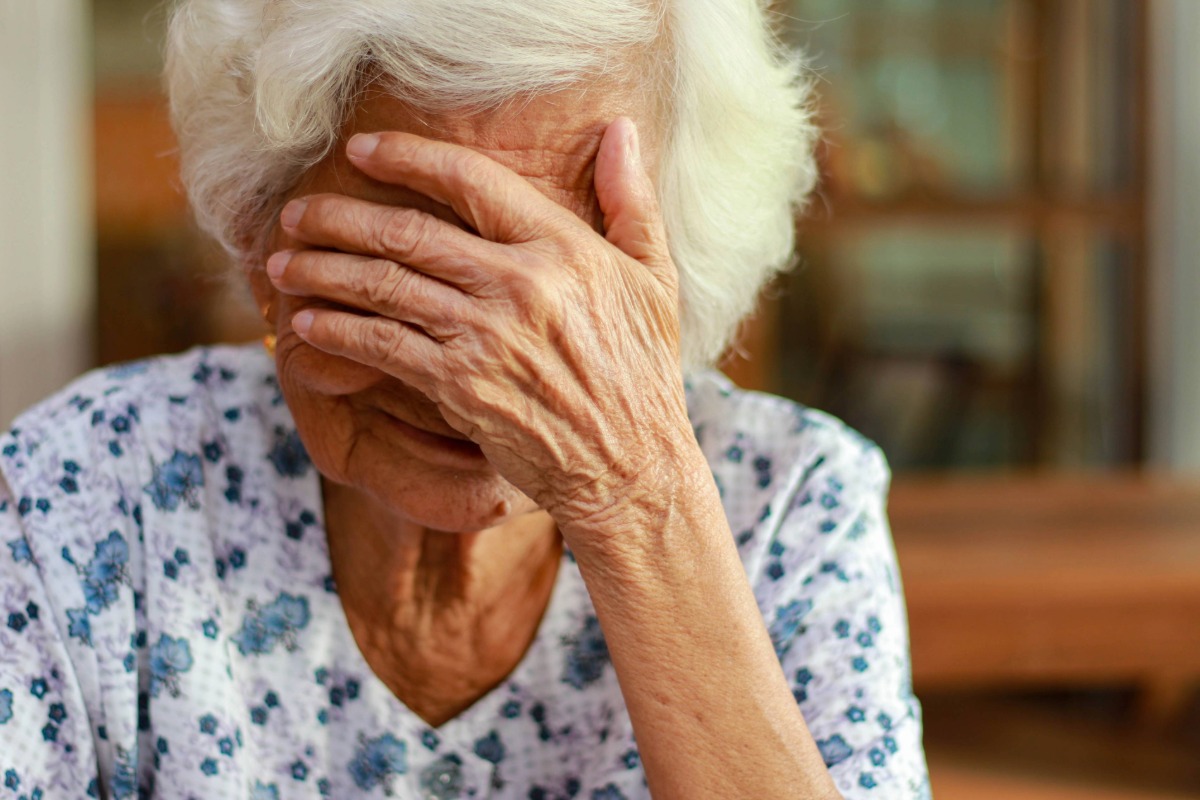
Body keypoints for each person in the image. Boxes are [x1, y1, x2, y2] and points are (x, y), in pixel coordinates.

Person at [0, 0, 928, 797]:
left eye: (551, 292)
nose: (472, 381)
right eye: (398, 266)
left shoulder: (796, 502)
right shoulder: (81, 493)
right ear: (258, 248)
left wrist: (635, 494)